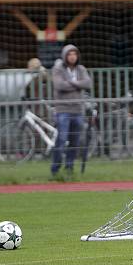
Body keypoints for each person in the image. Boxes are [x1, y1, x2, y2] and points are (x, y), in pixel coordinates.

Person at [51, 44, 92, 178]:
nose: (72, 56)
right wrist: (77, 84)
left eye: (74, 54)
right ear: (65, 56)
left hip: (78, 110)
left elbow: (88, 83)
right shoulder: (58, 69)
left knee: (75, 141)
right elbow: (59, 85)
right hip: (63, 110)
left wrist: (72, 82)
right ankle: (55, 169)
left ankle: (69, 167)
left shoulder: (81, 69)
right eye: (69, 54)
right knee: (61, 139)